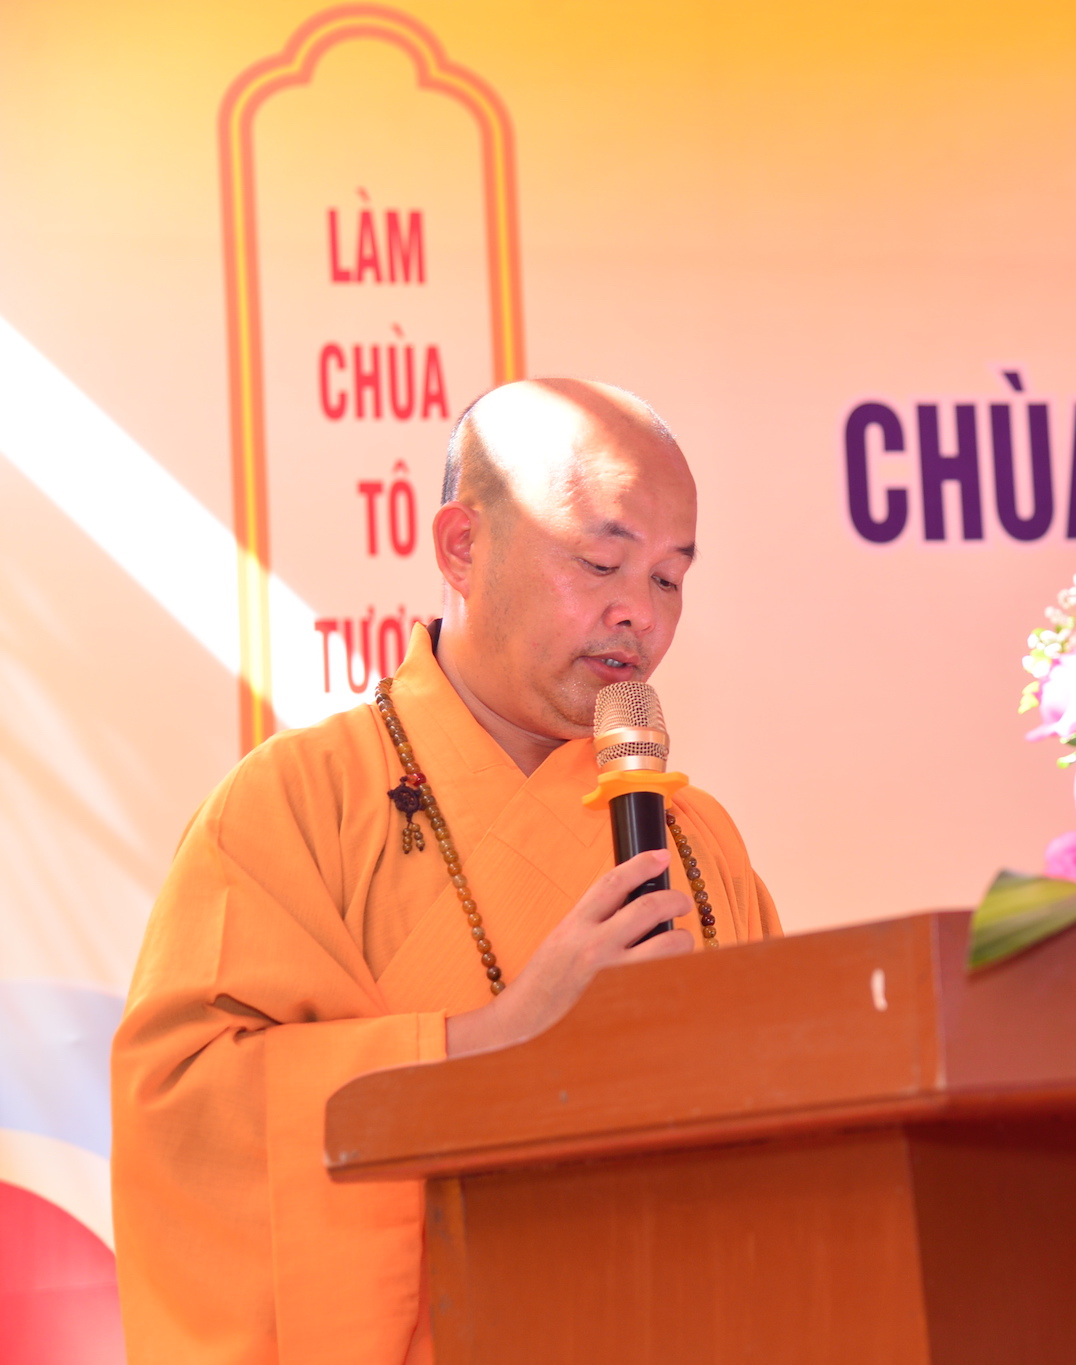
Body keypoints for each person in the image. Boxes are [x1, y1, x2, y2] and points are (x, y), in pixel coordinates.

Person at [110, 380, 781, 1364]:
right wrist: (497, 1038)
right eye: (601, 563)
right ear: (462, 547)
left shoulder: (697, 839)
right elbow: (188, 1120)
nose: (638, 614)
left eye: (669, 578)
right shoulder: (296, 802)